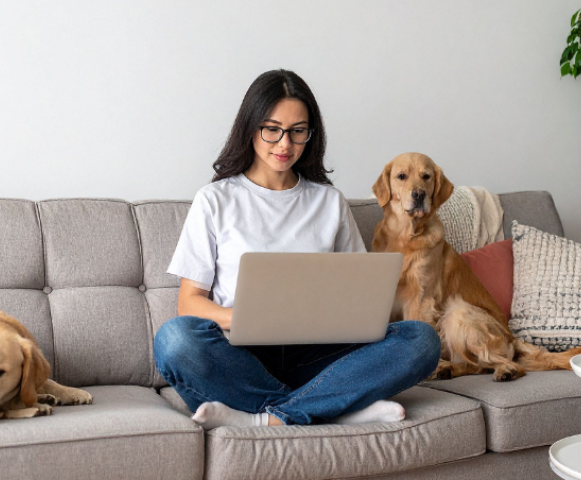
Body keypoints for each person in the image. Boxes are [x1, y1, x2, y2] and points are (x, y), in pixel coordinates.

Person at [153, 69, 440, 429]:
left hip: (318, 355)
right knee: (174, 340)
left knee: (421, 340)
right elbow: (189, 303)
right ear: (251, 128)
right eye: (272, 129)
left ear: (311, 134)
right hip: (241, 356)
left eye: (297, 131)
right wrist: (247, 319)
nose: (284, 144)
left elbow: (360, 295)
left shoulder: (329, 202)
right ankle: (336, 408)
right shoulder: (215, 200)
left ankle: (265, 417)